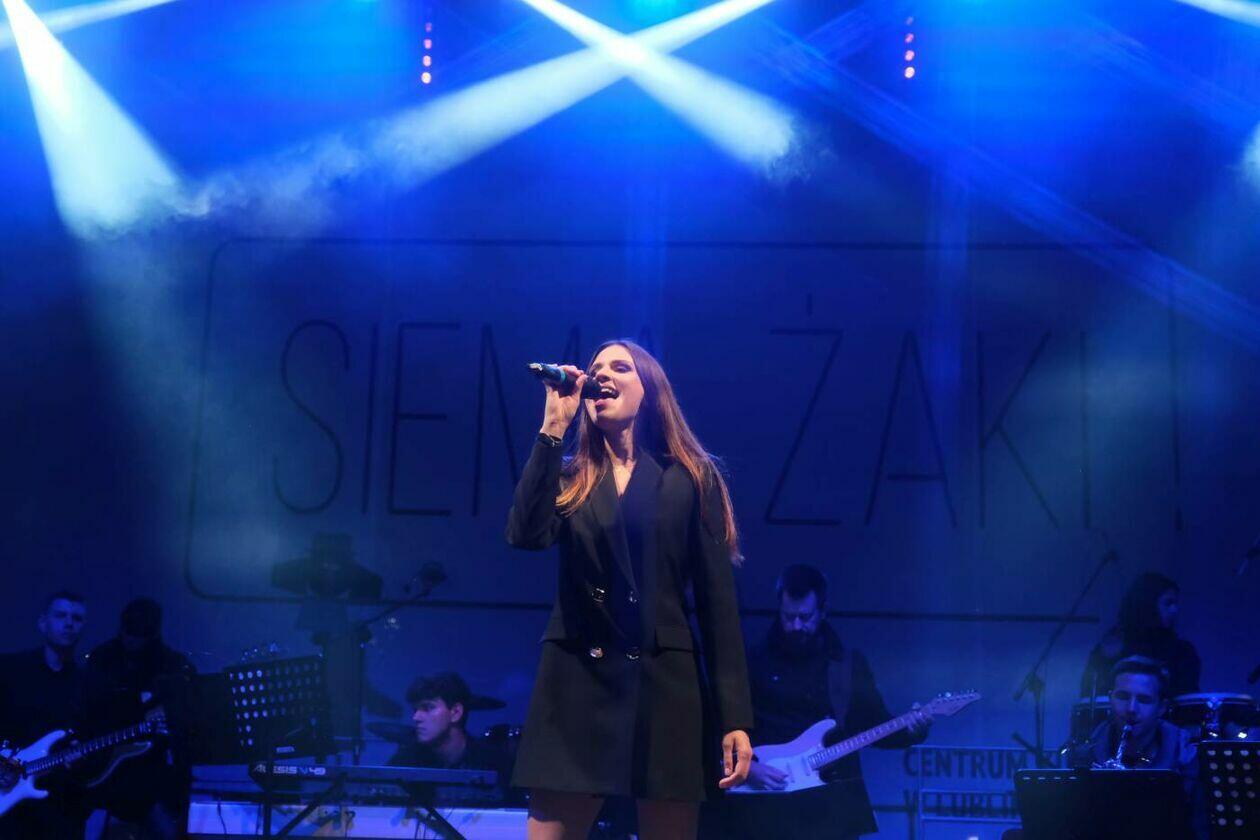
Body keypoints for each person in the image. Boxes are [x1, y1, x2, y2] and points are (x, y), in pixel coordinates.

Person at [506, 340, 753, 839]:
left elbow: (717, 605)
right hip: (577, 680)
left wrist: (735, 717)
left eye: (620, 367)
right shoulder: (570, 475)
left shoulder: (690, 477)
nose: (602, 375)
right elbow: (525, 535)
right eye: (595, 368)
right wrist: (552, 428)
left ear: (650, 391)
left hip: (663, 684)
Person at [708, 564, 930, 839]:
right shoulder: (753, 661)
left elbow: (874, 724)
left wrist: (913, 729)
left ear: (823, 611)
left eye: (805, 617)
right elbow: (721, 726)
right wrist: (747, 767)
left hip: (831, 808)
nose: (795, 626)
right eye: (788, 616)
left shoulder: (846, 665)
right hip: (768, 805)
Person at [84, 598, 195, 840]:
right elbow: (89, 709)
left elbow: (189, 707)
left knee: (162, 821)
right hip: (104, 760)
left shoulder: (171, 663)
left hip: (151, 766)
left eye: (138, 635)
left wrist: (168, 710)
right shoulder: (103, 658)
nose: (130, 640)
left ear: (151, 635)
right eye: (128, 632)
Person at [1069, 656, 1205, 839]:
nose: (1131, 709)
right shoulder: (1085, 756)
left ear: (1162, 707)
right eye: (1123, 697)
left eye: (1144, 699)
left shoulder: (1186, 757)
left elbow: (1199, 830)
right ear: (1110, 699)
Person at [0, 590, 90, 839]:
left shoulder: (87, 683)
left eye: (77, 618)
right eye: (61, 615)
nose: (69, 623)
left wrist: (79, 757)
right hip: (10, 802)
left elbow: (89, 736)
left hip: (61, 803)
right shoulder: (10, 670)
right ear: (43, 622)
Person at [387, 672, 514, 805]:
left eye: (428, 708)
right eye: (415, 709)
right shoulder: (407, 759)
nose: (416, 717)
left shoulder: (495, 762)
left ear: (455, 712)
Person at [1080, 572, 1201, 699]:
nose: (1174, 610)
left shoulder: (1183, 652)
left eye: (1175, 603)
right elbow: (1092, 694)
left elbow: (1187, 697)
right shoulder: (1114, 646)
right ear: (1148, 603)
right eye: (1168, 603)